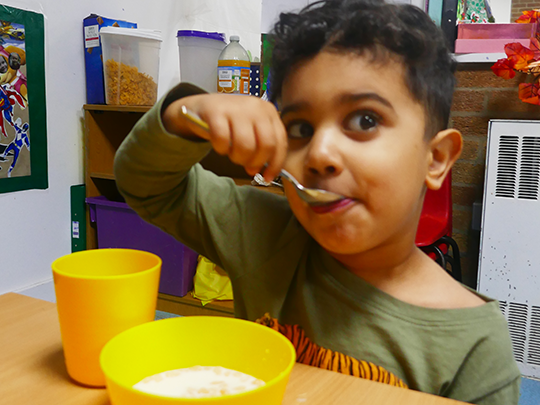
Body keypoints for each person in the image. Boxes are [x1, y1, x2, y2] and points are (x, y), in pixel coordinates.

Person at [114, 0, 520, 403]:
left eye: (365, 120)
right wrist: (186, 112)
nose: (320, 154)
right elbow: (147, 185)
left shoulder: (474, 348)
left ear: (435, 160)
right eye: (301, 128)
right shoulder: (261, 232)